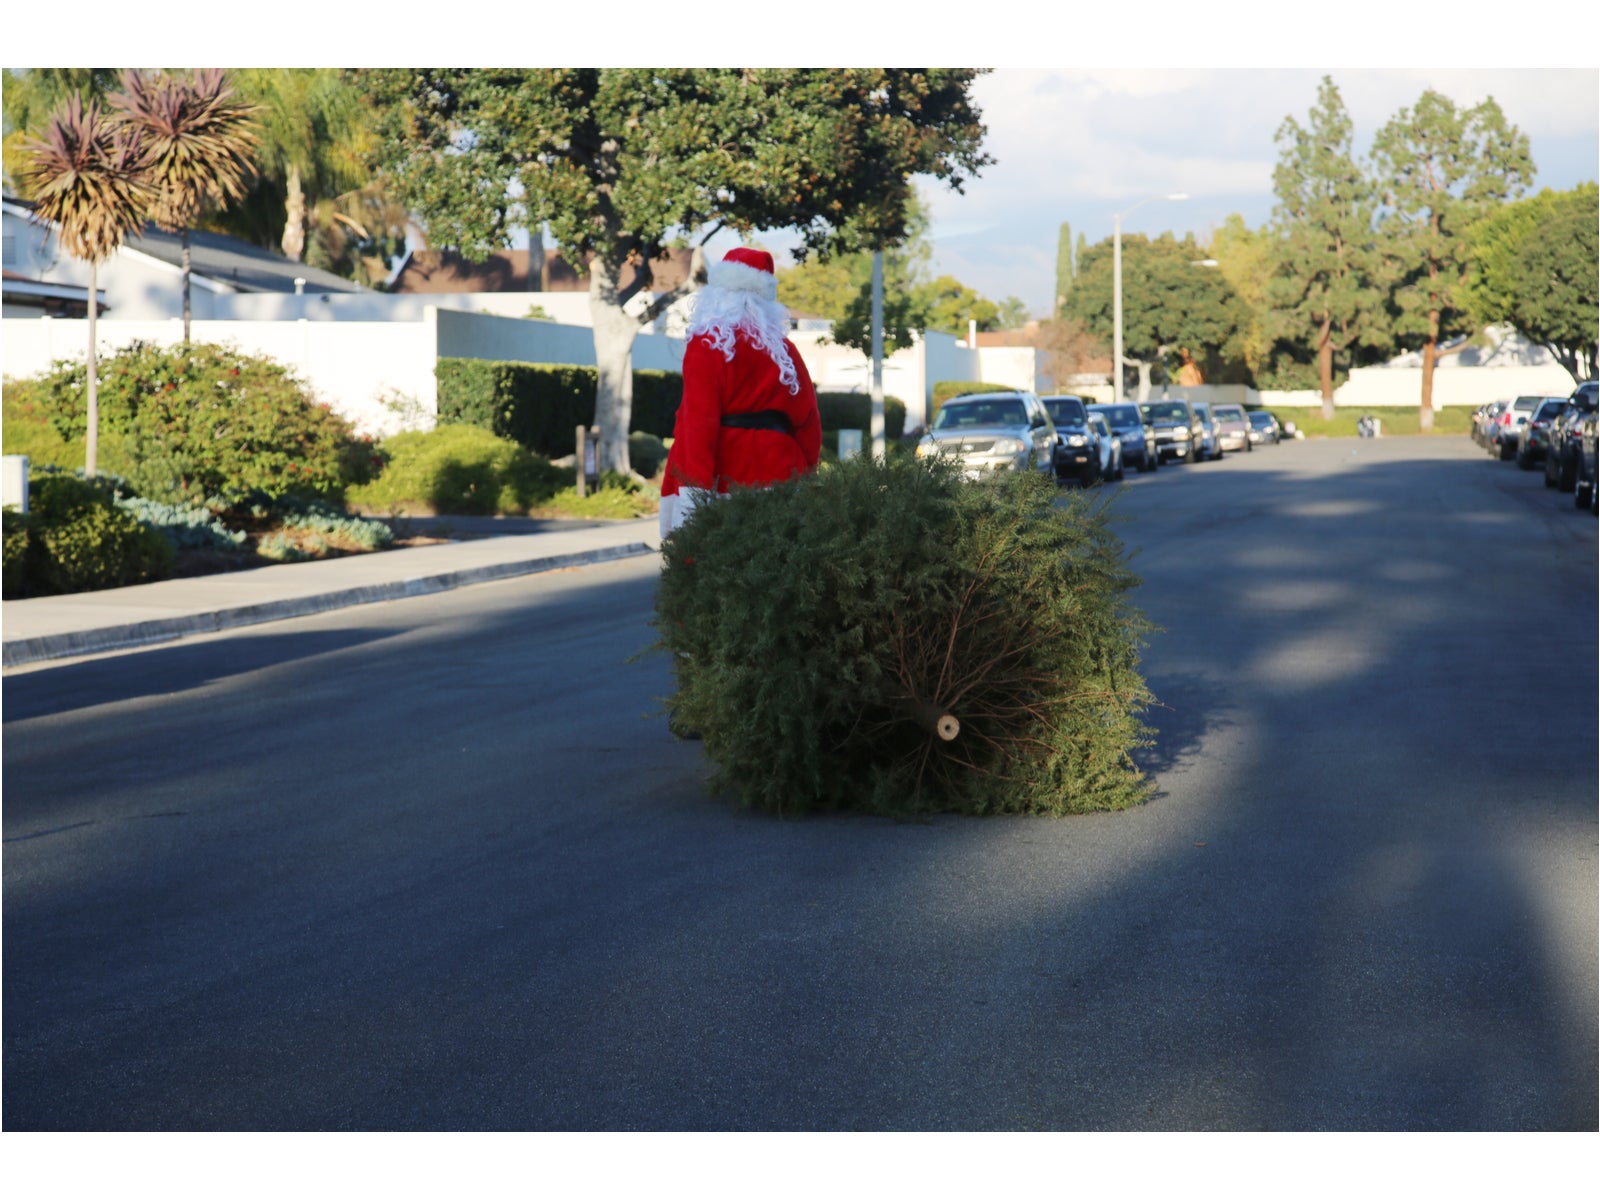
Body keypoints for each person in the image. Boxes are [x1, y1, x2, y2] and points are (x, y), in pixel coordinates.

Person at [659, 247, 822, 536]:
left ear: (716, 294)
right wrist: (808, 473)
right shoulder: (785, 350)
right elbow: (808, 422)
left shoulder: (706, 344)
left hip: (726, 478)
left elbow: (699, 425)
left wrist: (694, 493)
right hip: (784, 472)